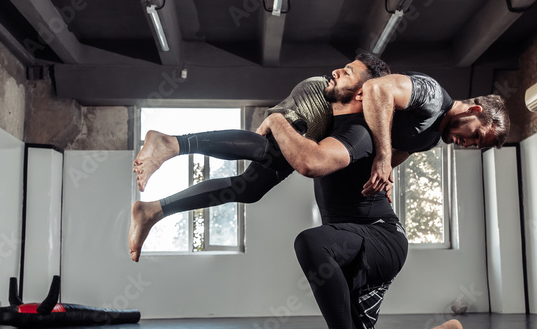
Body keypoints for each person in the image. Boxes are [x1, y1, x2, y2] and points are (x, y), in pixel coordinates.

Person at [258, 83, 490, 329]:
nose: (467, 143)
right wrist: (383, 165)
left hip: (381, 237)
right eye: (475, 136)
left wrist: (275, 120)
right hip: (354, 247)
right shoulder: (344, 136)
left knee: (312, 242)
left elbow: (309, 162)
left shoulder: (359, 134)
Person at [127, 54, 390, 262]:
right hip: (320, 100)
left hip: (330, 116)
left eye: (347, 72)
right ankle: (170, 143)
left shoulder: (377, 118)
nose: (337, 70)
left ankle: (153, 209)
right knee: (272, 151)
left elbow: (385, 146)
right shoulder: (387, 101)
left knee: (250, 188)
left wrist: (385, 167)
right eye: (343, 67)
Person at [359, 72, 511, 197]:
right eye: (477, 135)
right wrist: (384, 156)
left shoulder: (431, 140)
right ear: (474, 111)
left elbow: (384, 162)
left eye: (475, 145)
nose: (467, 144)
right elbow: (376, 88)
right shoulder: (432, 96)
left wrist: (382, 179)